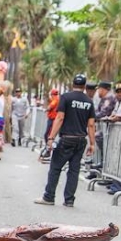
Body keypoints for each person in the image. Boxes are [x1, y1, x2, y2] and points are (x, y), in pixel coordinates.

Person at [34, 74, 95, 208]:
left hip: (66, 138)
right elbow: (91, 124)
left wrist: (51, 137)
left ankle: (49, 196)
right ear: (84, 86)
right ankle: (69, 200)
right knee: (74, 170)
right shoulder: (89, 101)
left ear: (73, 84)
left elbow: (60, 117)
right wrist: (92, 143)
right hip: (80, 140)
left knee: (55, 168)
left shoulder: (66, 97)